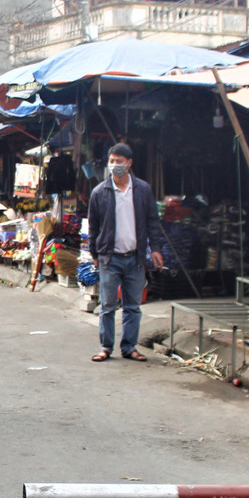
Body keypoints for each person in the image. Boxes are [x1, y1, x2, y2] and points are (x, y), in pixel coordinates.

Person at [87, 142, 167, 362]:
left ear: (129, 164)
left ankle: (129, 347)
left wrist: (156, 248)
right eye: (111, 161)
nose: (115, 166)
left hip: (135, 257)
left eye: (119, 162)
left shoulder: (142, 190)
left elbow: (153, 221)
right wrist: (94, 253)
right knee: (108, 305)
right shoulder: (99, 192)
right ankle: (105, 347)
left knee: (133, 306)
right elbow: (93, 226)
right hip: (109, 258)